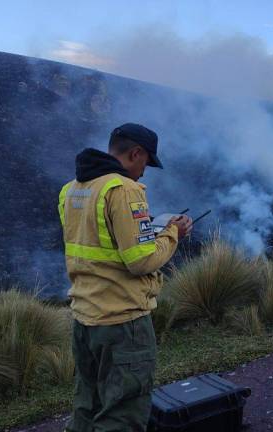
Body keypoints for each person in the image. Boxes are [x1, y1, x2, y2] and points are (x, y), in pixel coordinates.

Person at [58, 123, 192, 431]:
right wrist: (172, 232)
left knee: (86, 407)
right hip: (122, 323)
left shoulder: (72, 190)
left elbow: (100, 245)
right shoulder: (124, 189)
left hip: (85, 320)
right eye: (146, 162)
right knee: (122, 415)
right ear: (136, 153)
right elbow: (141, 260)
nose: (144, 171)